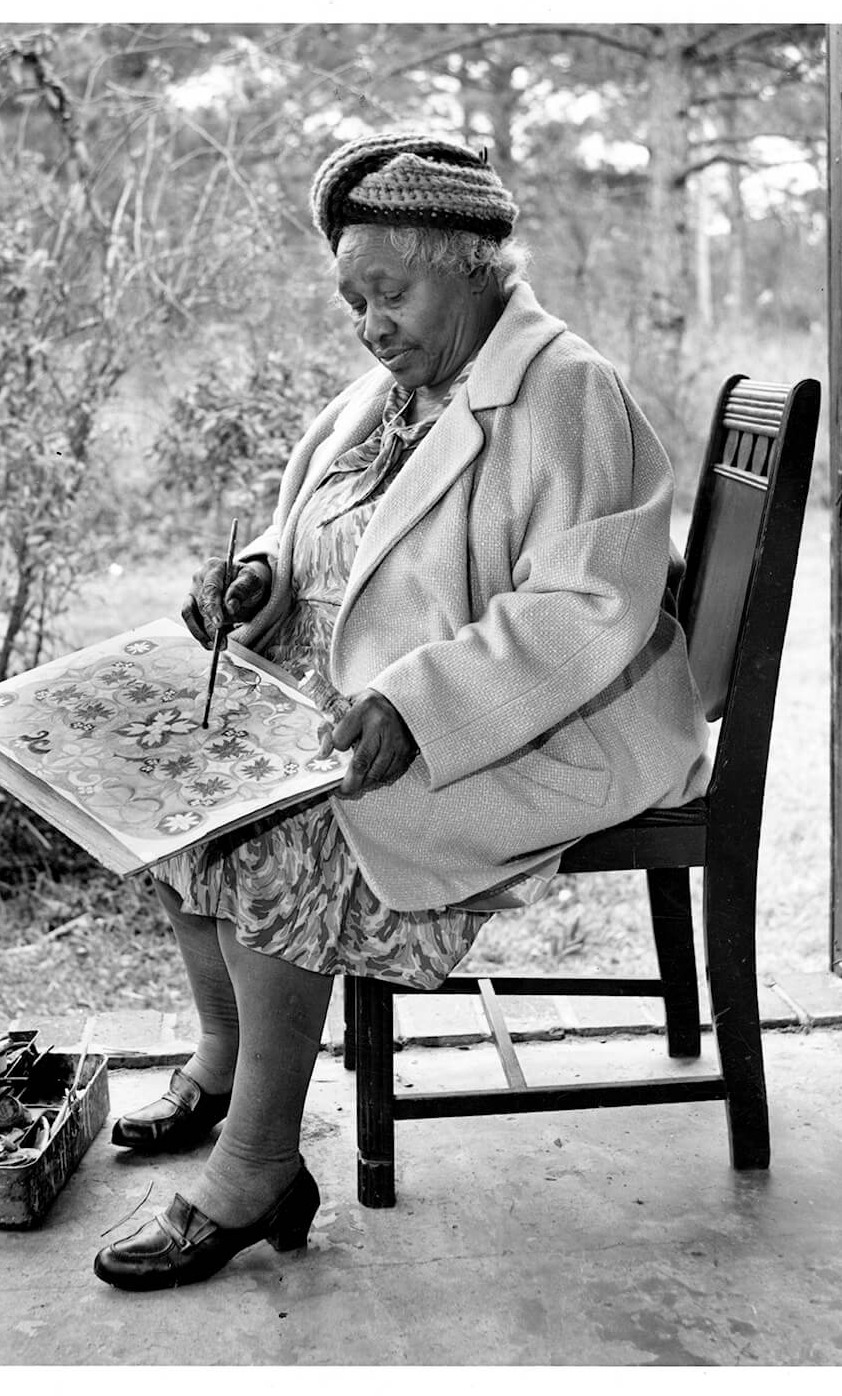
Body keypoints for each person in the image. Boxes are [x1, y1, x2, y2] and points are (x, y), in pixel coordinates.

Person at [93, 131, 710, 1292]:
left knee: (287, 829)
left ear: (475, 265)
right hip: (357, 690)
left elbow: (590, 607)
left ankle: (257, 1166)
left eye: (392, 291)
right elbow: (328, 531)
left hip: (538, 718)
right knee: (182, 778)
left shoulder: (567, 390)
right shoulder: (389, 390)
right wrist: (264, 576)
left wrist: (419, 709)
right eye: (352, 298)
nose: (370, 322)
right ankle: (226, 1060)